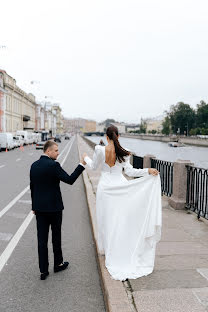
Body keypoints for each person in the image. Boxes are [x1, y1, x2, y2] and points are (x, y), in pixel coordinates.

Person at [82, 125, 162, 281]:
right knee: (120, 221)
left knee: (105, 220)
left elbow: (92, 167)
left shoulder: (99, 150)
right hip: (121, 188)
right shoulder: (124, 152)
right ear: (118, 136)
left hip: (105, 189)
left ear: (106, 137)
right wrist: (147, 171)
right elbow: (130, 172)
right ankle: (120, 248)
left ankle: (107, 249)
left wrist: (85, 157)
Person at [30, 140, 86, 280]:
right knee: (56, 238)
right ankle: (58, 264)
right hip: (54, 209)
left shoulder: (33, 166)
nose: (58, 153)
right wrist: (81, 165)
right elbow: (70, 179)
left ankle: (43, 271)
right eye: (55, 150)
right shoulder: (54, 165)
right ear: (48, 151)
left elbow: (33, 188)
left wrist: (34, 207)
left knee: (41, 240)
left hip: (40, 210)